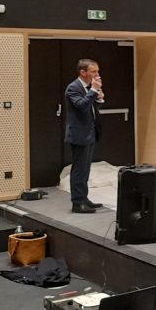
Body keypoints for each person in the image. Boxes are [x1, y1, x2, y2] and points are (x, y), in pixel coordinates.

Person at [64, 58, 104, 213]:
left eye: (97, 71)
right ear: (83, 72)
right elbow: (81, 106)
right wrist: (94, 91)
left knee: (86, 169)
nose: (97, 74)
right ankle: (77, 202)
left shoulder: (87, 87)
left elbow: (90, 107)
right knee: (79, 169)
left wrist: (98, 98)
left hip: (90, 132)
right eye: (93, 71)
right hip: (79, 134)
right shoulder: (73, 88)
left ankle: (84, 198)